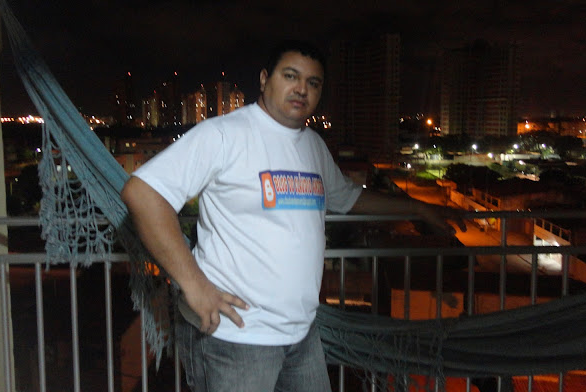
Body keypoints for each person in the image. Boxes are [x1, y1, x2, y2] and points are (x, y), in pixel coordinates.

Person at [121, 40, 461, 392]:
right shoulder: (224, 134)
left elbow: (349, 198)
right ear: (264, 79)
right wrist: (193, 284)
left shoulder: (313, 145)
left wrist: (418, 207)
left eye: (314, 83)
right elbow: (143, 194)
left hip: (302, 335)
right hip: (236, 337)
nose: (302, 89)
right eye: (291, 76)